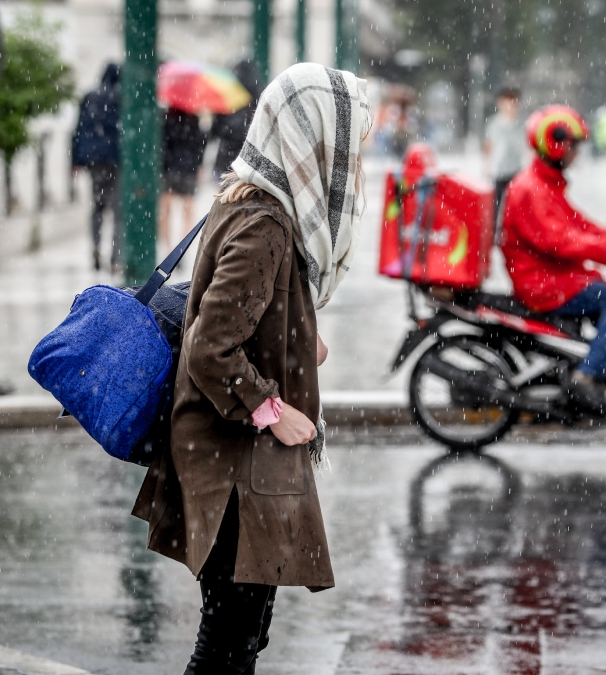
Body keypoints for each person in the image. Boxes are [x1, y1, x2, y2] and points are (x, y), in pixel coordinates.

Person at [131, 63, 371, 675]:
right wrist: (273, 409)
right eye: (345, 144)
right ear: (309, 139)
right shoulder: (266, 221)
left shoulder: (252, 199)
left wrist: (299, 335)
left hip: (226, 458)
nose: (352, 163)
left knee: (240, 635)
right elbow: (210, 347)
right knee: (229, 642)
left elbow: (242, 311)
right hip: (233, 462)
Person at [500, 105, 606, 410]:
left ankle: (600, 370)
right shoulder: (532, 189)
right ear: (556, 144)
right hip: (543, 284)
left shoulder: (544, 184)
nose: (576, 154)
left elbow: (581, 226)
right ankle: (586, 376)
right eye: (574, 146)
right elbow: (562, 242)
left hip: (555, 277)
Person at [71, 63, 122, 271]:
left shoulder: (90, 97)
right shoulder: (122, 97)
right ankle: (115, 257)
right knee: (119, 209)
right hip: (117, 159)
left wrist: (75, 160)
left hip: (94, 160)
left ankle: (96, 247)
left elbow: (79, 129)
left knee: (98, 206)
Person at [160, 108, 208, 248]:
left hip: (170, 169)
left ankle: (167, 247)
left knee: (165, 209)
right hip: (189, 170)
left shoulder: (167, 118)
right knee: (188, 210)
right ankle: (182, 247)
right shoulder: (194, 120)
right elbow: (200, 146)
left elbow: (162, 145)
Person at [209, 59, 263, 179]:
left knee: (224, 193)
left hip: (226, 161)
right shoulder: (260, 97)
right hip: (249, 162)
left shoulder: (228, 96)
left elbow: (215, 132)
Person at [483, 87, 524, 226]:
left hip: (518, 171)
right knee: (496, 205)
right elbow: (489, 146)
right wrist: (487, 165)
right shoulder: (494, 124)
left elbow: (527, 147)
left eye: (513, 102)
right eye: (507, 101)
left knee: (517, 205)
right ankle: (492, 232)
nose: (510, 105)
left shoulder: (522, 124)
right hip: (499, 171)